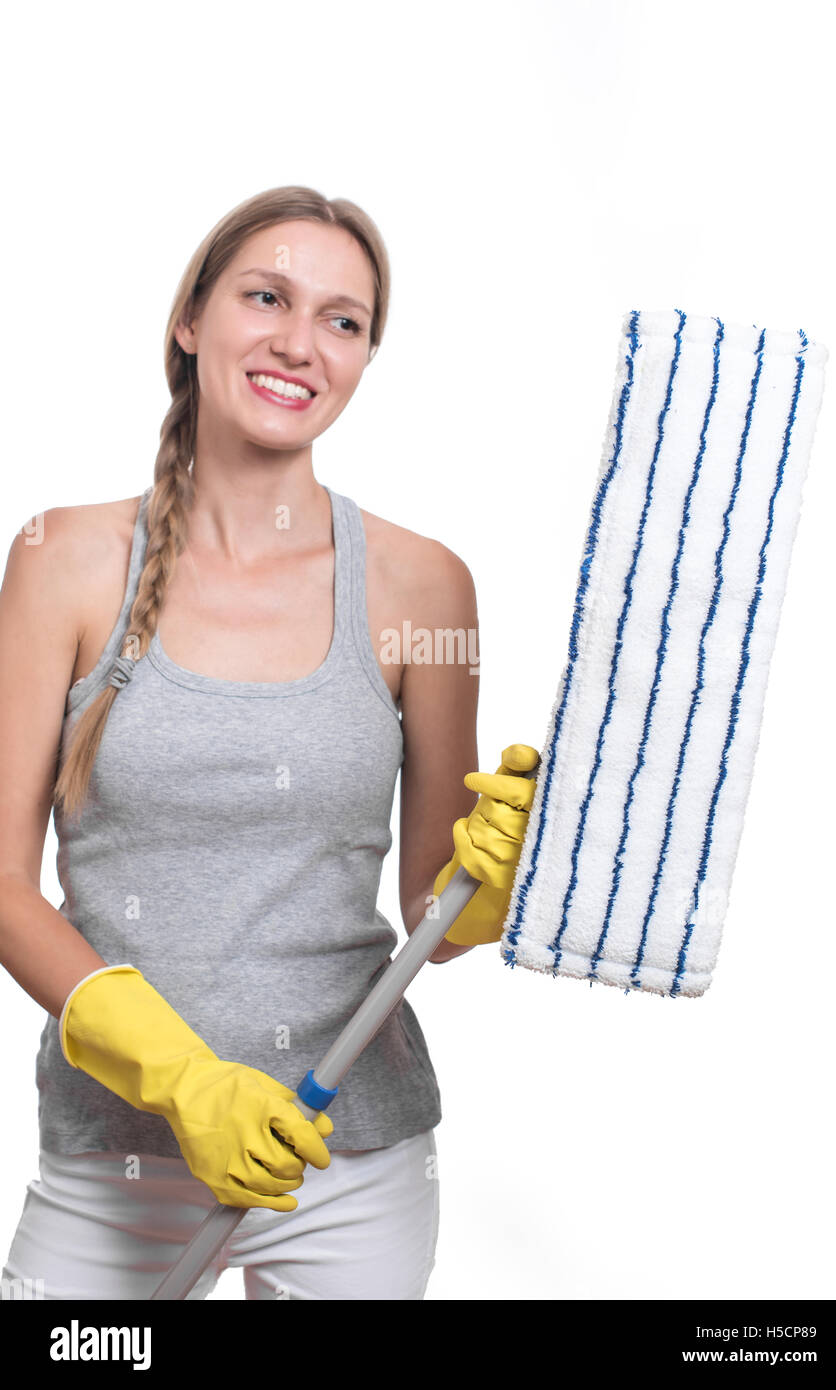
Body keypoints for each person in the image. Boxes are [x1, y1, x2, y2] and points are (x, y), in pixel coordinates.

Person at [0, 185, 538, 1301]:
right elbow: (3, 884)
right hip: (118, 1154)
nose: (302, 342)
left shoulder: (421, 583)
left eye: (343, 320)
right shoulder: (62, 559)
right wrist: (187, 1081)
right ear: (191, 318)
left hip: (347, 1153)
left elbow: (434, 919)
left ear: (363, 358)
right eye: (267, 296)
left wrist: (478, 896)